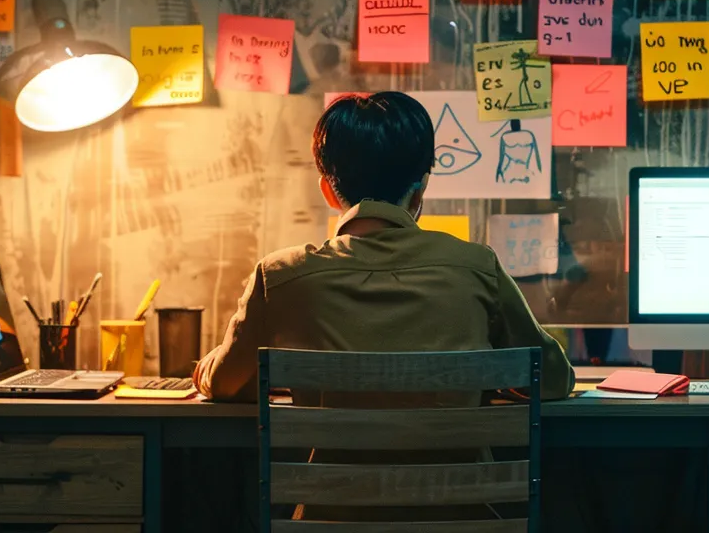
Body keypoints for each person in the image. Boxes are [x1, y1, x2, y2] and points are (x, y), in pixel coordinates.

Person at [194, 91, 575, 403]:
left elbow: (225, 383)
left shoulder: (280, 277)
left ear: (328, 189)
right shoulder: (477, 268)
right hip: (457, 498)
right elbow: (555, 379)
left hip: (329, 497)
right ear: (421, 189)